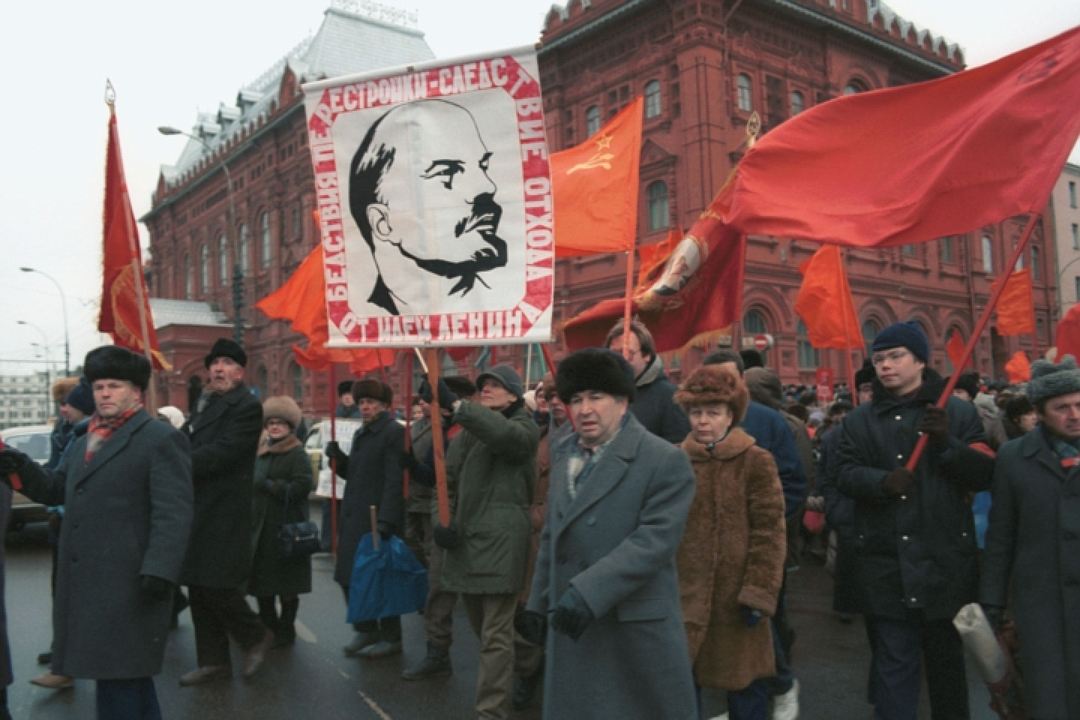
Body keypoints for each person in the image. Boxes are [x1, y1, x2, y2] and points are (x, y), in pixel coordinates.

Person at [0, 345, 193, 718]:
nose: (104, 393)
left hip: (131, 580)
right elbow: (56, 488)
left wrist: (159, 570)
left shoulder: (158, 438)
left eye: (114, 386)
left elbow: (174, 513)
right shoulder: (84, 437)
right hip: (90, 580)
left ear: (136, 392)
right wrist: (17, 466)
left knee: (121, 678)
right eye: (99, 386)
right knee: (123, 678)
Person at [521, 348, 697, 720]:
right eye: (576, 399)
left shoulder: (663, 459)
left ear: (622, 401)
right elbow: (554, 535)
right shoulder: (563, 448)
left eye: (596, 397)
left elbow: (653, 543)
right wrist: (537, 602)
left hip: (629, 627)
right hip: (571, 625)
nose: (584, 409)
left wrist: (587, 593)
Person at [836, 321, 994, 720]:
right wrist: (881, 482)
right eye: (879, 359)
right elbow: (844, 474)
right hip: (887, 565)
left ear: (920, 360)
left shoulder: (955, 413)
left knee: (946, 668)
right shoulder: (860, 420)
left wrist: (946, 444)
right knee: (894, 668)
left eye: (895, 357)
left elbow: (984, 475)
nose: (885, 366)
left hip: (943, 564)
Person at [674, 363, 786, 720]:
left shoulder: (755, 461)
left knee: (745, 688)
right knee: (681, 690)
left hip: (736, 599)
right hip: (684, 595)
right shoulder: (675, 461)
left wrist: (758, 592)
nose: (702, 420)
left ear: (730, 415)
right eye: (695, 412)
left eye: (712, 412)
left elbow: (769, 531)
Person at [430, 364, 538, 720]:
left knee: (493, 637)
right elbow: (444, 483)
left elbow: (506, 439)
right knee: (485, 630)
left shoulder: (525, 428)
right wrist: (440, 522)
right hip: (466, 542)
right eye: (483, 385)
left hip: (503, 544)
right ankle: (532, 660)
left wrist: (461, 409)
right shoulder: (468, 436)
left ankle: (490, 712)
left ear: (513, 395)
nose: (486, 389)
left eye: (495, 385)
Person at [703, 348, 804, 719]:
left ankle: (777, 687)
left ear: (742, 380)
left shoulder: (767, 422)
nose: (722, 387)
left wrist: (764, 530)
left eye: (729, 379)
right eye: (714, 380)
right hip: (708, 562)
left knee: (757, 638)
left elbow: (793, 484)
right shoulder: (695, 423)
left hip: (757, 556)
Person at [980, 356, 1080, 718]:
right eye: (1062, 407)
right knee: (1047, 703)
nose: (1074, 414)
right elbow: (1001, 536)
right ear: (1040, 412)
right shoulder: (1014, 458)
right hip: (1040, 609)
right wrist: (992, 604)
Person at [348, 99, 508, 315]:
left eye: (483, 166)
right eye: (447, 172)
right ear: (382, 222)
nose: (488, 187)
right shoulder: (368, 324)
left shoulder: (508, 305)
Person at [179, 338, 273, 686]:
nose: (217, 369)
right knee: (197, 585)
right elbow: (188, 442)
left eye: (226, 363)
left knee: (215, 582)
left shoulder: (245, 407)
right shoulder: (204, 405)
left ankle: (254, 635)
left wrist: (178, 461)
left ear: (240, 371)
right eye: (213, 363)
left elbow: (225, 451)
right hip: (198, 504)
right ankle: (213, 661)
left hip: (225, 507)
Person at [401, 375, 475, 681]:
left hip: (478, 526)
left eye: (433, 400)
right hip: (442, 519)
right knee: (439, 587)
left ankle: (523, 666)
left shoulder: (473, 430)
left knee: (486, 608)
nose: (426, 406)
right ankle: (437, 651)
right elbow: (437, 481)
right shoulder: (432, 431)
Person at [325, 378, 405, 659]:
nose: (365, 407)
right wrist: (339, 461)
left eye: (371, 402)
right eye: (362, 402)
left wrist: (387, 520)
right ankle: (366, 627)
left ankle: (392, 636)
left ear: (384, 405)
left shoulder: (393, 432)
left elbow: (395, 479)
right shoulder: (363, 433)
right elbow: (357, 474)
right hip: (354, 514)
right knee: (348, 576)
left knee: (381, 579)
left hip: (376, 516)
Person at [34, 376, 95, 689]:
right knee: (61, 592)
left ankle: (68, 661)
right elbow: (55, 475)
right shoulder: (64, 432)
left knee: (74, 595)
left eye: (67, 404)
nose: (62, 410)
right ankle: (63, 655)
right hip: (60, 521)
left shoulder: (87, 437)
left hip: (76, 523)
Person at [249, 396, 313, 648]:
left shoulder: (296, 452)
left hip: (286, 528)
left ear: (290, 426)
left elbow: (302, 486)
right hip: (261, 530)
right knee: (263, 585)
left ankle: (286, 629)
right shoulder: (261, 451)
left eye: (280, 423)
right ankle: (269, 626)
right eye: (270, 423)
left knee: (287, 584)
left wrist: (269, 485)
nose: (274, 427)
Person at [604, 319, 690, 443]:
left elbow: (677, 447)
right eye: (614, 354)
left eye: (628, 353)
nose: (620, 360)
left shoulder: (669, 396)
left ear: (647, 355)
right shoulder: (601, 394)